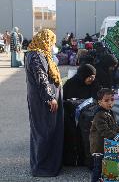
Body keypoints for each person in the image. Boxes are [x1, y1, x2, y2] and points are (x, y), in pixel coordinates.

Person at [25, 29, 64, 177]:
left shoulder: (40, 53)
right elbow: (41, 78)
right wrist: (50, 97)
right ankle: (44, 167)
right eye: (51, 41)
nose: (53, 45)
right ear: (45, 40)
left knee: (49, 129)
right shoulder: (36, 55)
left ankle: (51, 163)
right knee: (45, 131)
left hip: (45, 98)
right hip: (43, 101)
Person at [89, 88, 119, 182]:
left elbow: (114, 126)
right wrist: (116, 136)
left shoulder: (110, 113)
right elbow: (104, 131)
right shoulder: (99, 115)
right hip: (99, 147)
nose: (110, 103)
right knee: (98, 169)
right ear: (100, 102)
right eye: (106, 100)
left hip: (107, 146)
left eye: (112, 100)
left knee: (107, 168)